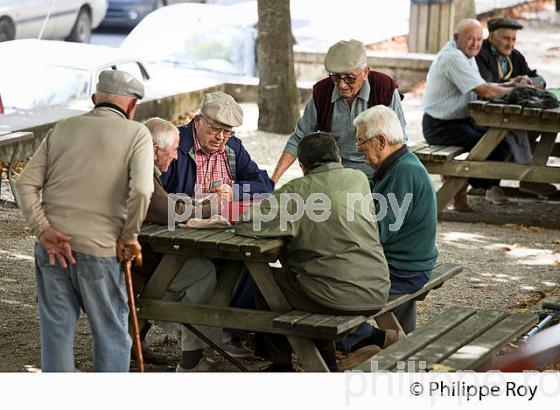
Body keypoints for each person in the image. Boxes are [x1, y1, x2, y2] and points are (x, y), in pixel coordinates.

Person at [16, 70, 154, 372]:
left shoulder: (63, 128)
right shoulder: (137, 133)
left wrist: (43, 229)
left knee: (56, 334)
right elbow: (143, 189)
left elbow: (24, 183)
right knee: (112, 336)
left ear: (95, 100)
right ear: (132, 107)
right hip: (100, 250)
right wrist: (129, 236)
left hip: (53, 249)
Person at [236, 132, 391, 371]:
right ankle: (330, 358)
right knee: (316, 275)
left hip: (333, 295)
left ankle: (281, 365)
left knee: (266, 284)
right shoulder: (358, 178)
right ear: (338, 159)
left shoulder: (297, 190)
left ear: (302, 166)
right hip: (378, 288)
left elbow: (248, 223)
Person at [422, 19, 532, 212]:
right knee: (492, 146)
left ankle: (464, 184)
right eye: (470, 39)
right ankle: (457, 181)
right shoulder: (453, 57)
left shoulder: (467, 56)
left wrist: (512, 84)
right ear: (457, 38)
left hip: (461, 121)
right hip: (441, 126)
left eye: (479, 40)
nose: (475, 44)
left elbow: (485, 86)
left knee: (501, 143)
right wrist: (516, 90)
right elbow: (485, 91)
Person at [139, 117, 222, 372]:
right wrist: (210, 207)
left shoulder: (137, 168)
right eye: (174, 150)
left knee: (196, 270)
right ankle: (192, 357)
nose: (176, 157)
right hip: (132, 267)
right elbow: (168, 210)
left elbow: (167, 205)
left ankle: (197, 345)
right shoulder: (141, 174)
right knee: (203, 270)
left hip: (122, 260)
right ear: (154, 151)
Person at [270, 39, 408, 184]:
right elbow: (299, 137)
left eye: (350, 78)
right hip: (335, 176)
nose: (341, 85)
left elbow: (400, 140)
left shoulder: (384, 88)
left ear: (365, 72)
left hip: (377, 175)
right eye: (336, 77)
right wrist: (273, 180)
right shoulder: (322, 92)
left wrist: (394, 180)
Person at [354, 105, 438, 334]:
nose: (358, 149)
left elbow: (379, 230)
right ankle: (396, 342)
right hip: (407, 263)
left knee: (324, 286)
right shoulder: (399, 165)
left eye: (361, 142)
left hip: (403, 270)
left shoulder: (404, 172)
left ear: (381, 141)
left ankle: (367, 340)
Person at [476, 16, 556, 197]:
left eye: (513, 39)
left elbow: (539, 79)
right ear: (492, 36)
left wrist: (531, 83)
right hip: (484, 114)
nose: (510, 44)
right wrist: (513, 83)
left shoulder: (515, 57)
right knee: (508, 132)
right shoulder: (481, 55)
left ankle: (529, 178)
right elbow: (486, 86)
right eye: (506, 39)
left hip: (508, 113)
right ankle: (491, 183)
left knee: (535, 127)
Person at [160, 91, 274, 201]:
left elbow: (263, 183)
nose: (220, 137)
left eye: (227, 131)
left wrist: (235, 192)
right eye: (214, 128)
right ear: (197, 121)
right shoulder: (173, 143)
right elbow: (154, 191)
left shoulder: (233, 147)